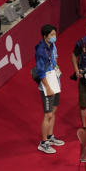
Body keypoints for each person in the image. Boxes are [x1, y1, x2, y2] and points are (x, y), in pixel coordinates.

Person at [33, 24, 64, 154]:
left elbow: (54, 60)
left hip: (55, 80)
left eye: (54, 34)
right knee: (48, 114)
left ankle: (50, 136)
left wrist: (57, 69)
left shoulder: (52, 45)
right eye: (51, 35)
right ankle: (43, 142)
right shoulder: (41, 51)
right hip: (47, 84)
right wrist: (48, 88)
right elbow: (40, 72)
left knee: (54, 109)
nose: (54, 37)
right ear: (45, 36)